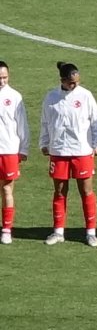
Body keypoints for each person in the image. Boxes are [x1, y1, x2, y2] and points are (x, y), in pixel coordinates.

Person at [40, 62, 97, 246]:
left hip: (82, 151)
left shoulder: (85, 96)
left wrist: (96, 144)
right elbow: (45, 121)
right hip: (59, 151)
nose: (75, 85)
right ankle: (58, 231)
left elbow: (96, 121)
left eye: (77, 81)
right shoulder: (51, 97)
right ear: (62, 80)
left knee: (86, 191)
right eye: (71, 82)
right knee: (60, 191)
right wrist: (44, 142)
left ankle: (91, 232)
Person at [0, 61, 29, 245]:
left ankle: (6, 229)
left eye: (4, 77)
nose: (1, 81)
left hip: (8, 150)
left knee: (6, 189)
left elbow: (22, 124)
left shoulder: (15, 96)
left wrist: (23, 148)